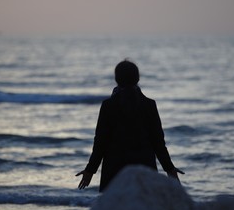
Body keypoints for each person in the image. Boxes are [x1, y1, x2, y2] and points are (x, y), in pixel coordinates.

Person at [76, 60, 184, 192]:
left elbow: (100, 143)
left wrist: (90, 171)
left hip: (114, 172)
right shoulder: (149, 105)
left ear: (116, 79)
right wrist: (170, 170)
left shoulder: (108, 106)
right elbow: (158, 143)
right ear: (138, 78)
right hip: (144, 170)